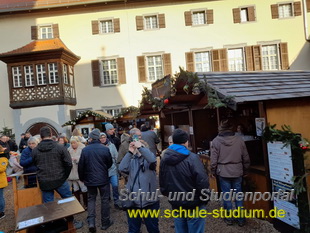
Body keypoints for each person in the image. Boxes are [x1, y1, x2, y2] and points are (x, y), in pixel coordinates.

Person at [159, 129, 209, 233]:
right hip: (194, 203)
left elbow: (162, 180)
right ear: (186, 142)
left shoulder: (164, 158)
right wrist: (205, 198)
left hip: (176, 202)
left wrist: (167, 194)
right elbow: (202, 180)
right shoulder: (193, 158)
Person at [210, 119, 250, 227]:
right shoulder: (239, 140)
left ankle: (229, 218)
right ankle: (241, 219)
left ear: (220, 129)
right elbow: (246, 157)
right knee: (239, 196)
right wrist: (246, 170)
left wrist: (212, 171)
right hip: (237, 170)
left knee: (226, 196)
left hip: (223, 172)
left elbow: (213, 160)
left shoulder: (216, 141)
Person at [119, 127, 159, 233]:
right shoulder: (132, 160)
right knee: (133, 229)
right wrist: (130, 152)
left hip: (150, 202)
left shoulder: (149, 161)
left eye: (141, 149)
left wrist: (141, 147)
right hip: (134, 202)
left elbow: (151, 158)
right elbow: (121, 168)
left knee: (153, 229)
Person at [78, 129, 113, 232]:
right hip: (102, 178)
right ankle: (105, 222)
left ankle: (91, 222)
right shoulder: (105, 149)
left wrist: (82, 178)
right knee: (104, 200)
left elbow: (81, 166)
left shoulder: (85, 150)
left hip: (90, 179)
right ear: (98, 137)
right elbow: (109, 163)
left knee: (91, 199)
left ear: (91, 138)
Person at [32, 126, 73, 203]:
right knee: (69, 202)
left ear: (41, 136)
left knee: (49, 207)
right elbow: (69, 163)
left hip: (45, 180)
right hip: (59, 178)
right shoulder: (60, 147)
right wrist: (64, 176)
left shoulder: (35, 150)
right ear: (51, 134)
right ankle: (70, 215)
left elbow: (35, 164)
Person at [99, 133, 121, 209]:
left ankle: (116, 201)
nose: (102, 139)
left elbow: (116, 157)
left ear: (106, 137)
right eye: (101, 138)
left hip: (113, 169)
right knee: (106, 188)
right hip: (103, 171)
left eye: (104, 137)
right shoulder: (98, 147)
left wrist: (118, 169)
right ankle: (107, 201)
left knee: (115, 185)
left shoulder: (112, 145)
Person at [68, 136, 87, 209]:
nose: (73, 144)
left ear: (77, 142)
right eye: (71, 143)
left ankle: (86, 204)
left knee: (83, 188)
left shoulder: (82, 149)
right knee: (75, 189)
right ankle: (78, 205)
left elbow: (85, 159)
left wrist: (77, 159)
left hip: (80, 172)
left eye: (74, 143)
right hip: (72, 172)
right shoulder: (69, 150)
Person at [0, 145, 9, 220]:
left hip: (1, 182)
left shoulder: (3, 157)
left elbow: (2, 168)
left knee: (0, 197)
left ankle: (1, 212)